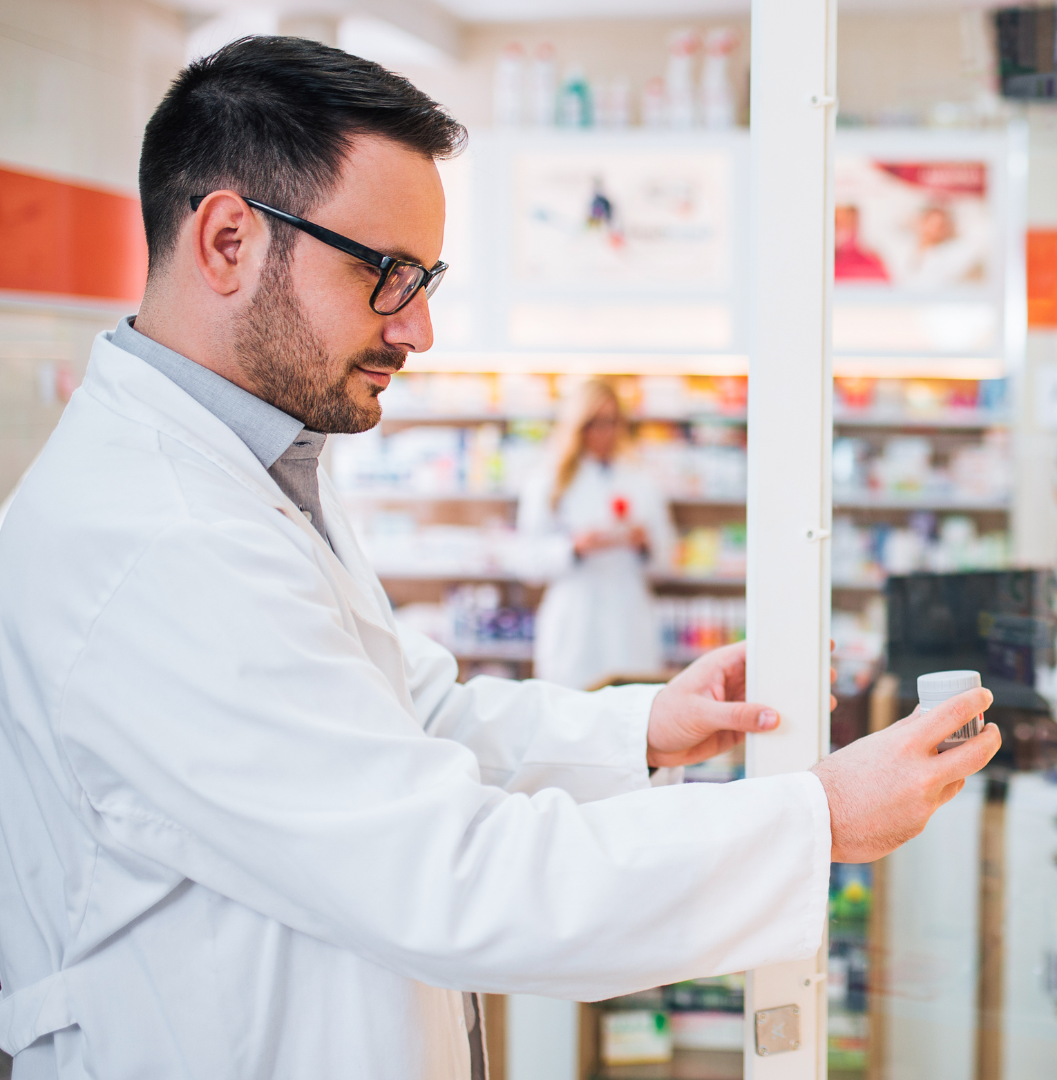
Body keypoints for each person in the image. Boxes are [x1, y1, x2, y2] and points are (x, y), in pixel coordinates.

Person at [0, 36, 998, 1078]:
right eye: (387, 274)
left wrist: (645, 726)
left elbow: (408, 719)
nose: (420, 328)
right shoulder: (155, 539)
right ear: (228, 242)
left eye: (424, 278)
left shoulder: (249, 470)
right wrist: (817, 820)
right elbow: (455, 877)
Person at [518, 379, 677, 687]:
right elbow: (528, 561)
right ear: (576, 425)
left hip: (628, 614)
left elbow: (666, 559)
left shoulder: (641, 479)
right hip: (574, 619)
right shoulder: (550, 480)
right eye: (594, 423)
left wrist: (646, 545)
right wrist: (573, 548)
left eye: (612, 422)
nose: (605, 433)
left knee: (632, 714)